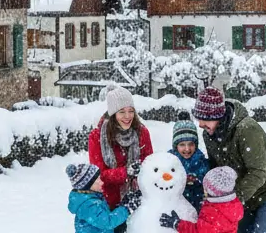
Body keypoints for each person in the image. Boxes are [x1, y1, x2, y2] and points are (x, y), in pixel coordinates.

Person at [192, 87, 266, 233]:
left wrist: (234, 199)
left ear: (218, 115)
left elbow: (258, 172)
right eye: (199, 119)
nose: (200, 124)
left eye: (204, 119)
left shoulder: (247, 130)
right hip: (243, 192)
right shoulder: (209, 135)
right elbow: (215, 168)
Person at [88, 84, 154, 222]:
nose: (127, 116)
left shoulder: (142, 133)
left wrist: (140, 168)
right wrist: (126, 172)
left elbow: (150, 164)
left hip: (137, 199)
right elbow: (99, 175)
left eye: (131, 111)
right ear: (113, 114)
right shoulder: (97, 137)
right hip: (110, 203)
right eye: (122, 112)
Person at [158, 166, 244, 233]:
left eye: (205, 188)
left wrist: (177, 224)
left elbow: (197, 231)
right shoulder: (232, 203)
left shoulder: (212, 214)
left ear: (211, 192)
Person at [66, 163, 143, 233]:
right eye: (98, 180)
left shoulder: (93, 197)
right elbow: (108, 222)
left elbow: (103, 216)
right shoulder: (87, 205)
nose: (102, 182)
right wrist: (126, 209)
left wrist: (123, 204)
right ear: (88, 185)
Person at [169, 112, 209, 212]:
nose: (187, 149)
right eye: (182, 144)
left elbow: (207, 183)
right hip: (176, 208)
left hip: (197, 207)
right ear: (175, 146)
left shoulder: (201, 161)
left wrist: (197, 180)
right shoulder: (169, 161)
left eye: (191, 144)